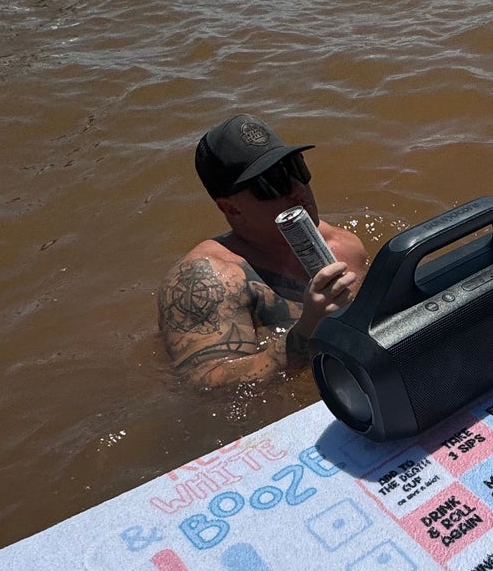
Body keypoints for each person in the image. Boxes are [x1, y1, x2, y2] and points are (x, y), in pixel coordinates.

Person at [157, 114, 367, 389]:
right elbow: (205, 384)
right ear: (230, 208)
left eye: (296, 169)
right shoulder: (206, 279)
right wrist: (307, 331)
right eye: (272, 182)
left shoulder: (344, 246)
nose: (297, 189)